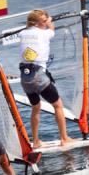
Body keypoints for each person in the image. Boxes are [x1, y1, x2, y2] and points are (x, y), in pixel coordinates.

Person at [18, 9, 73, 148]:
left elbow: (29, 30)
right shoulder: (44, 33)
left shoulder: (22, 33)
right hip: (38, 76)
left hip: (25, 78)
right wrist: (49, 22)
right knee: (58, 105)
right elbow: (52, 29)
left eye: (46, 20)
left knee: (36, 107)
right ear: (35, 23)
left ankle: (36, 142)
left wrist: (42, 21)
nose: (46, 22)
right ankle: (64, 138)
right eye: (43, 21)